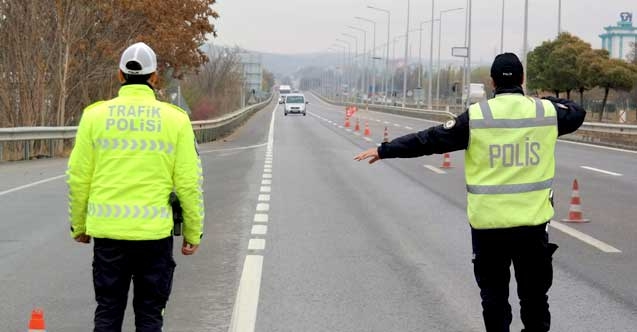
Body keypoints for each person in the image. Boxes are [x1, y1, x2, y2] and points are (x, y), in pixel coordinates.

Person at [355, 53, 586, 332]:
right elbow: (576, 111)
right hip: (532, 227)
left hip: (489, 228)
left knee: (494, 300)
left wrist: (384, 150)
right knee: (535, 299)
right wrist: (543, 100)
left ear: (491, 82)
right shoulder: (545, 114)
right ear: (523, 80)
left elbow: (428, 140)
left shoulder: (476, 117)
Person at [67, 42, 205, 332]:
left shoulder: (94, 116)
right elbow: (189, 182)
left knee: (107, 311)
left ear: (120, 75)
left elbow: (79, 177)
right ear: (155, 78)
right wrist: (192, 231)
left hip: (109, 234)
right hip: (154, 236)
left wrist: (79, 225)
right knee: (150, 315)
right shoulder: (176, 120)